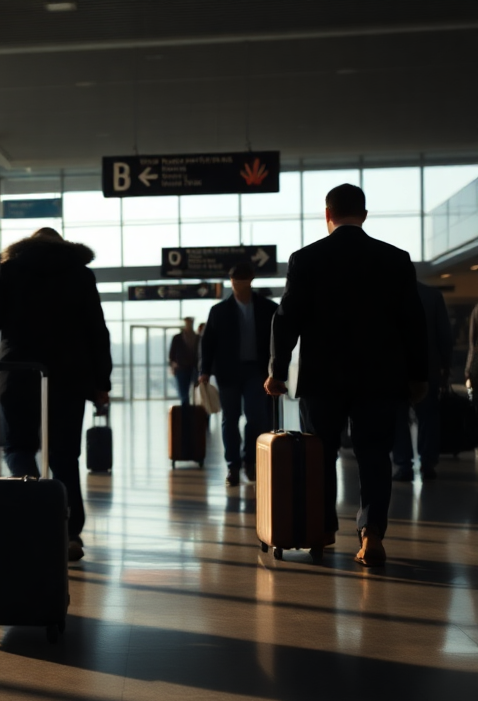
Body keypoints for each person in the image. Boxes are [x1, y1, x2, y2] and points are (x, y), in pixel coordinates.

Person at [266, 184, 427, 568]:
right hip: (380, 379)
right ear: (365, 215)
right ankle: (371, 536)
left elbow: (286, 319)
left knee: (321, 454)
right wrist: (418, 377)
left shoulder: (306, 259)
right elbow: (413, 324)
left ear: (327, 214)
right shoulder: (395, 259)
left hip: (322, 380)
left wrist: (276, 370)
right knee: (375, 455)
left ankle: (321, 531)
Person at [0, 228, 111, 562]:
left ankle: (35, 513)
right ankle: (69, 533)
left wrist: (3, 282)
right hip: (67, 379)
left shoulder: (11, 269)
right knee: (64, 457)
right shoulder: (80, 274)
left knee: (19, 449)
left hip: (19, 376)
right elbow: (97, 330)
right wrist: (101, 383)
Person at [199, 262, 278, 486]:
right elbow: (208, 343)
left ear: (250, 281)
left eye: (242, 282)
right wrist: (204, 371)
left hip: (257, 370)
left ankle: (250, 461)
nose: (238, 286)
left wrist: (278, 370)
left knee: (256, 417)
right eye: (234, 282)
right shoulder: (219, 311)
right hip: (228, 372)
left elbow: (277, 341)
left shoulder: (267, 308)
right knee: (229, 419)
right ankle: (232, 465)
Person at [393, 281, 452, 482]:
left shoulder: (388, 295)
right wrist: (446, 366)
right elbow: (444, 334)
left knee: (398, 419)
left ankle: (404, 465)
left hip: (396, 370)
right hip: (428, 368)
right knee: (428, 417)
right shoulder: (433, 296)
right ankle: (428, 464)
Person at [168, 318, 199, 405]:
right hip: (181, 368)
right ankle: (186, 416)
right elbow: (172, 354)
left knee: (197, 394)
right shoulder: (177, 338)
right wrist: (173, 365)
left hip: (195, 368)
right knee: (184, 395)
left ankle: (195, 414)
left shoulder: (197, 338)